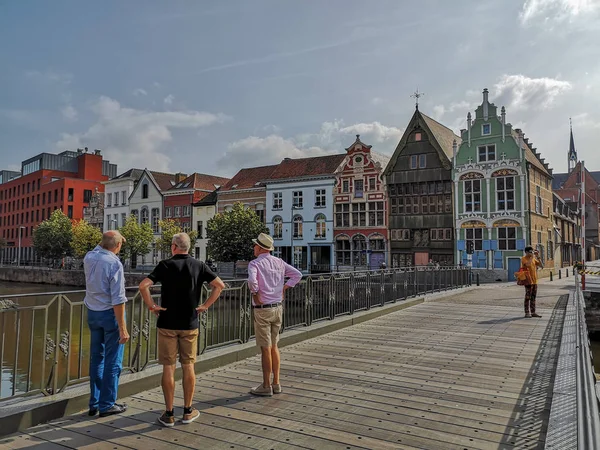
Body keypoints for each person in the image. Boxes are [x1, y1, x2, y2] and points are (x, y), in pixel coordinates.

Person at [139, 233, 225, 427]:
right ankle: (187, 411)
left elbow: (143, 285)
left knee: (168, 368)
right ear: (188, 248)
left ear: (173, 247)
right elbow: (219, 285)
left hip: (167, 323)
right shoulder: (199, 265)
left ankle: (168, 413)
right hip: (189, 323)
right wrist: (205, 306)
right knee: (188, 366)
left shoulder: (165, 265)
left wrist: (152, 305)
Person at [247, 233, 302, 397]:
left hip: (262, 309)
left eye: (255, 245)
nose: (253, 248)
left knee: (265, 348)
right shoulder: (279, 262)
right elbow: (297, 275)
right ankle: (276, 383)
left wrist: (255, 293)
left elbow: (252, 281)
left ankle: (266, 385)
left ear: (260, 247)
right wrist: (284, 288)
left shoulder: (254, 264)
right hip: (278, 307)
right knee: (274, 346)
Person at [83, 230, 129, 418]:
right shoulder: (114, 263)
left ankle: (94, 402)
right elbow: (118, 299)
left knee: (97, 358)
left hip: (92, 313)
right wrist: (123, 328)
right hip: (109, 315)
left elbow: (102, 246)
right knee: (113, 361)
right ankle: (107, 404)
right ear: (117, 246)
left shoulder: (89, 257)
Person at [521, 246, 543, 318]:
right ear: (526, 252)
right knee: (528, 297)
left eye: (532, 252)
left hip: (534, 281)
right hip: (528, 281)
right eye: (530, 252)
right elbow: (527, 264)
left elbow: (541, 265)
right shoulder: (524, 259)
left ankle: (533, 312)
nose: (531, 253)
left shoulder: (533, 258)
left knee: (533, 297)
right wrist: (531, 257)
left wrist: (538, 257)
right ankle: (527, 312)